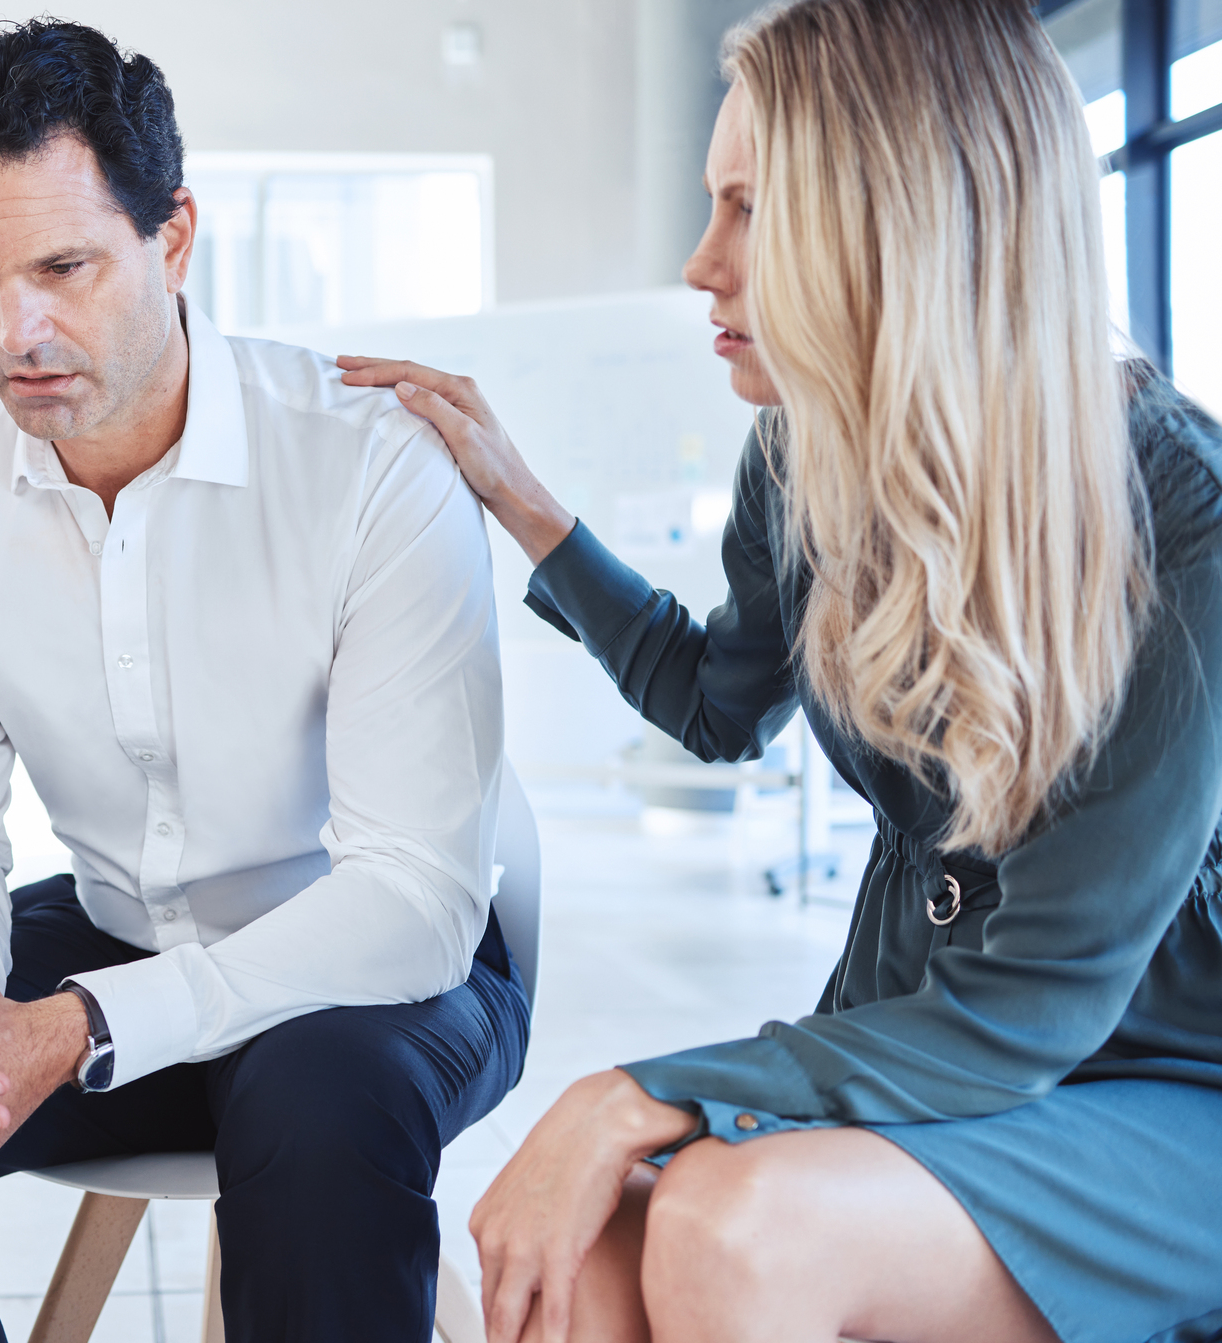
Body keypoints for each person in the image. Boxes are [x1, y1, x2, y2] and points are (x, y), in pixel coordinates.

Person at [334, 1, 1222, 1340]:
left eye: (750, 207)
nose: (702, 262)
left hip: (1161, 1086)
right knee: (593, 1262)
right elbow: (716, 703)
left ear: (895, 224)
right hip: (941, 1033)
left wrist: (629, 1091)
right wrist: (523, 502)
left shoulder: (1178, 512)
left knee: (727, 1225)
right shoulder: (803, 457)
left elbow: (1040, 996)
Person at [0, 20, 528, 1343]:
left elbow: (415, 899)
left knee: (316, 1103)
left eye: (64, 266)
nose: (16, 329)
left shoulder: (372, 461)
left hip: (374, 958)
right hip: (113, 927)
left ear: (175, 236)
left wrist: (74, 1028)